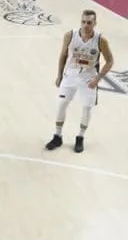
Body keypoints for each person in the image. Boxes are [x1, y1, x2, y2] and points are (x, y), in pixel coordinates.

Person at [45, 10, 114, 153]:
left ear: (95, 23)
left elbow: (110, 61)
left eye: (89, 22)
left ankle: (80, 137)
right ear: (80, 22)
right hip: (70, 74)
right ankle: (57, 136)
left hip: (89, 77)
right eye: (83, 22)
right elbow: (63, 55)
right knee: (61, 104)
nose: (86, 25)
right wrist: (59, 75)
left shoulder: (101, 40)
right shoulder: (70, 35)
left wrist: (97, 79)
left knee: (86, 108)